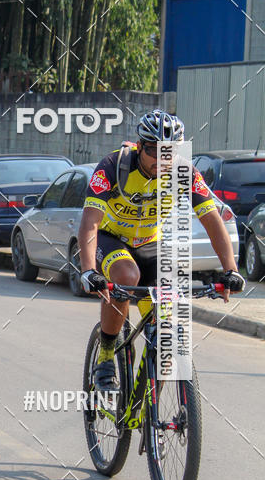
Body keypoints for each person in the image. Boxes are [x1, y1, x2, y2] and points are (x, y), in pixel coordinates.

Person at [78, 109, 245, 390]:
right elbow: (89, 223)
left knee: (168, 339)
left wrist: (231, 270)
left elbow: (213, 223)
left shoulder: (184, 173)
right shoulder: (112, 166)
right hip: (112, 238)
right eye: (154, 151)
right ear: (140, 146)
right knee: (126, 277)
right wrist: (88, 271)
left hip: (150, 243)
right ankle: (106, 355)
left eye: (169, 152)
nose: (162, 160)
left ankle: (150, 420)